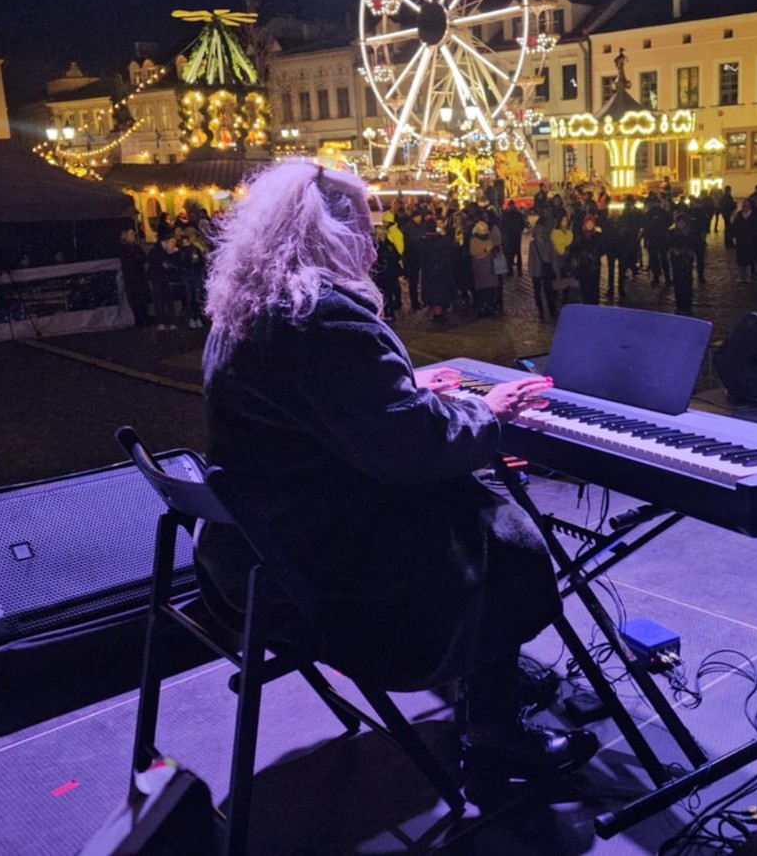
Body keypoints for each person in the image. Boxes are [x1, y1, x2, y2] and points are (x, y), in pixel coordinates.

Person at [200, 163, 597, 785]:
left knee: (471, 512)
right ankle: (494, 731)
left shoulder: (251, 307)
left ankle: (490, 674)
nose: (372, 244)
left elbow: (315, 405)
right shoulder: (322, 318)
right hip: (326, 567)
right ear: (329, 232)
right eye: (363, 227)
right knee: (499, 532)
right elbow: (413, 449)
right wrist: (488, 410)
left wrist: (404, 387)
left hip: (254, 552)